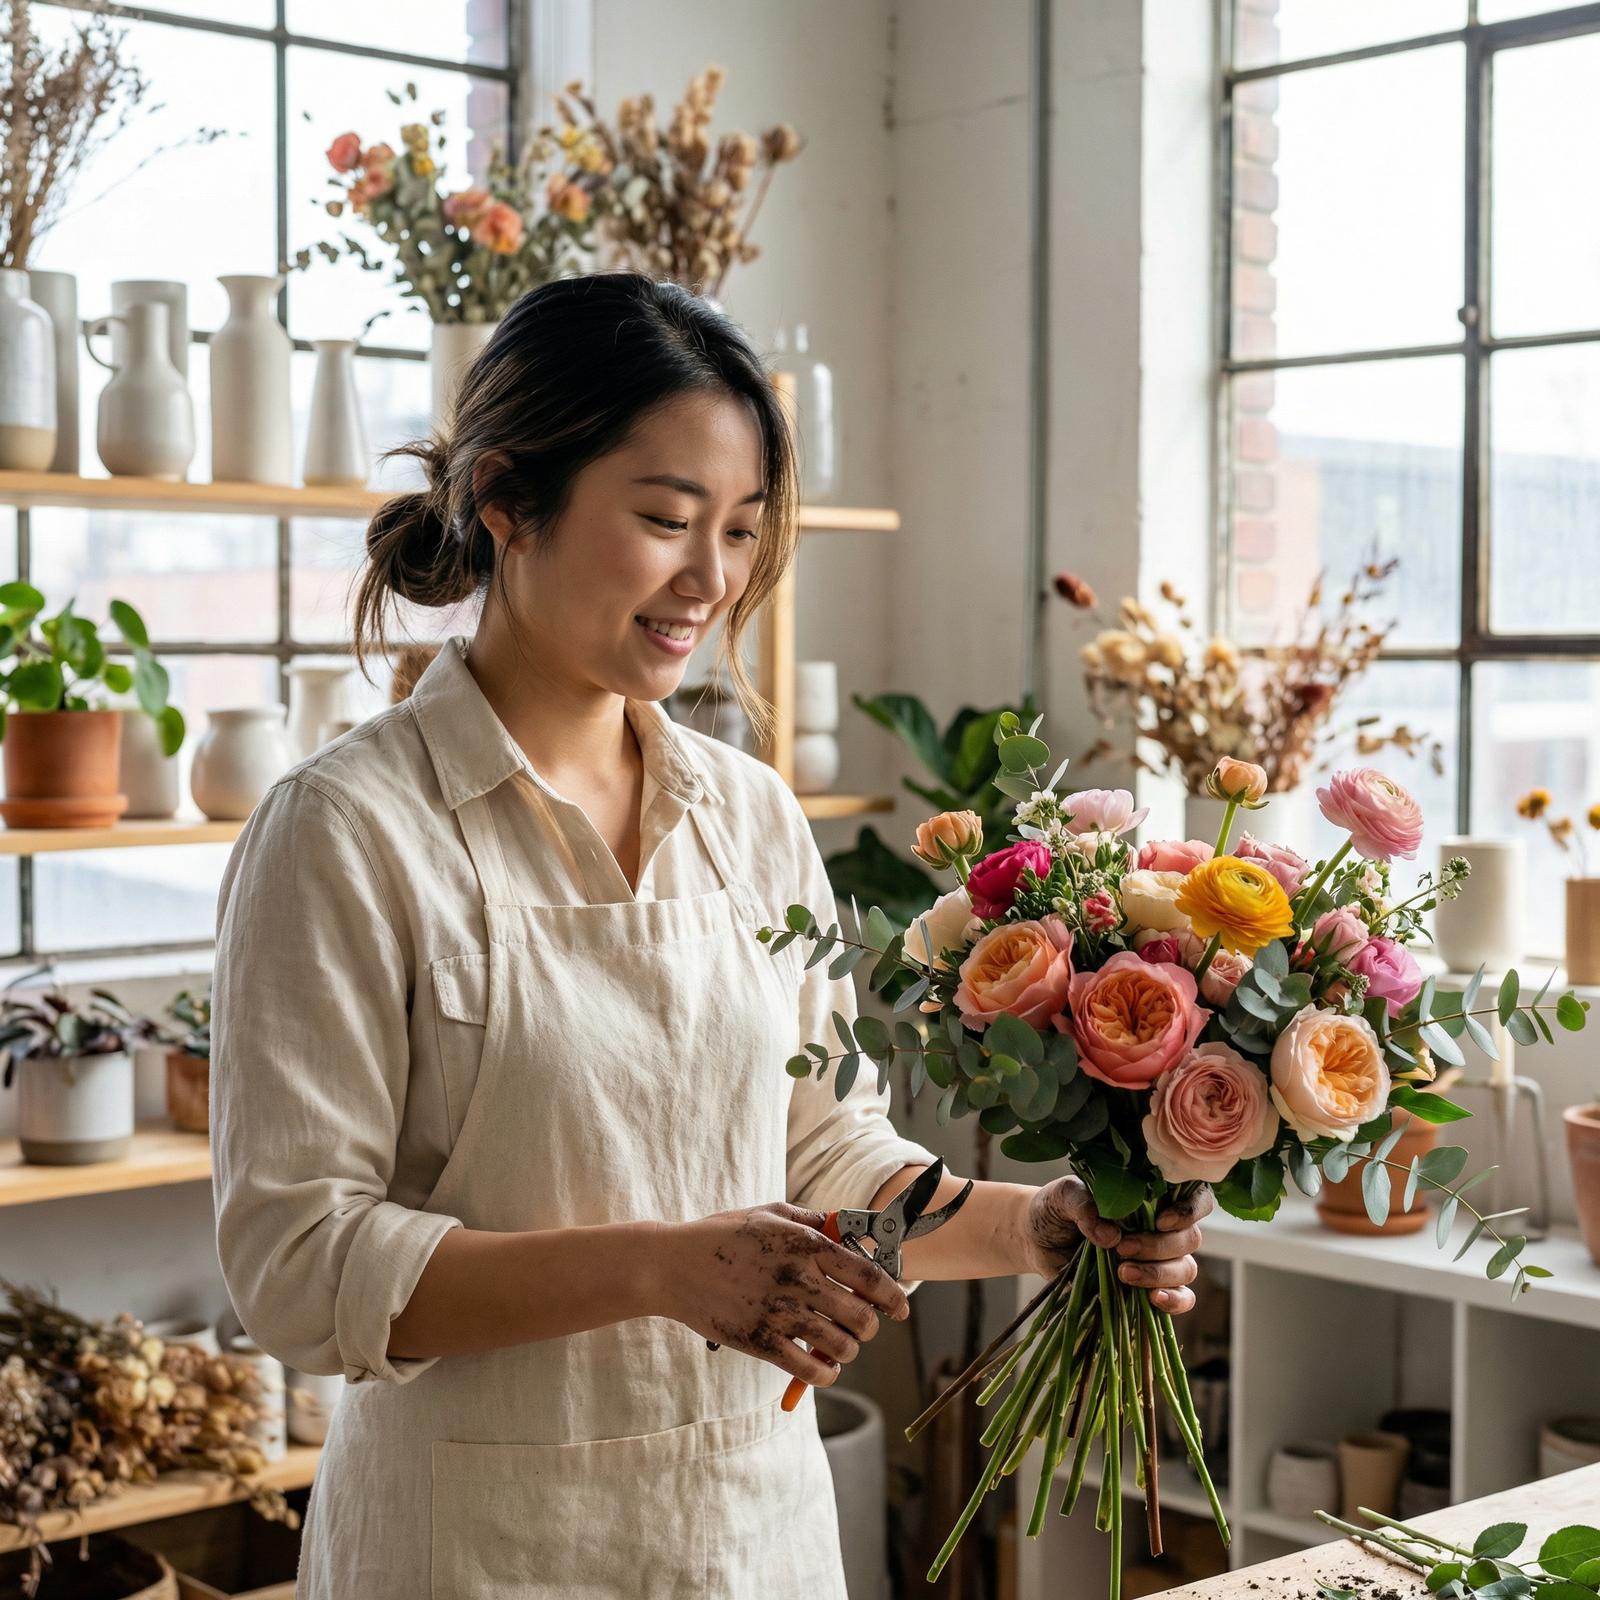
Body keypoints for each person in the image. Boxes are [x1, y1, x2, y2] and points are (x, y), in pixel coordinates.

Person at [210, 273, 1208, 1600]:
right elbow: (296, 1267)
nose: (711, 579)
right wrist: (664, 1270)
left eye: (739, 531)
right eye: (666, 520)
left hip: (749, 1537)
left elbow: (820, 1145)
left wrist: (1040, 1230)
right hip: (480, 1550)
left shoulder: (745, 811)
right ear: (508, 499)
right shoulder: (347, 830)